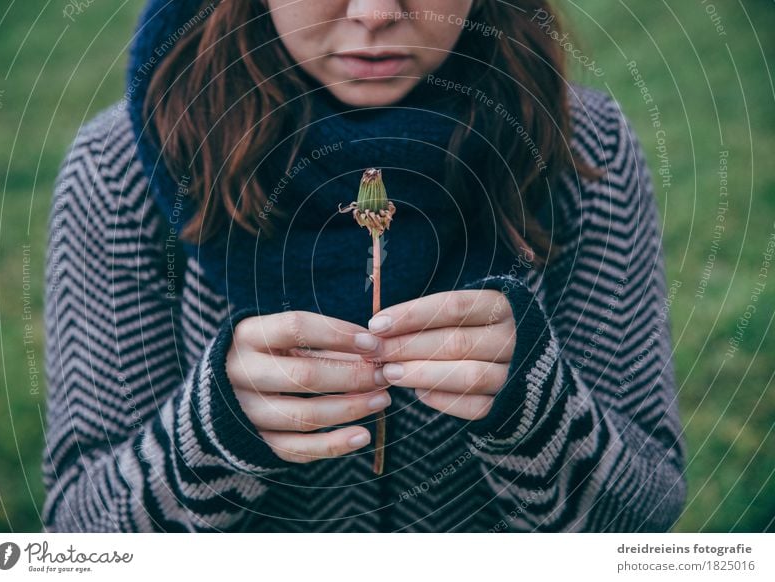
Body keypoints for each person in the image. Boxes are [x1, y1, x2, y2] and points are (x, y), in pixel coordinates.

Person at [42, 0, 686, 532]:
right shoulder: (124, 167)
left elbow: (644, 514)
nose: (375, 13)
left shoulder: (579, 146)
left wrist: (539, 409)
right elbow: (78, 536)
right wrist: (212, 432)